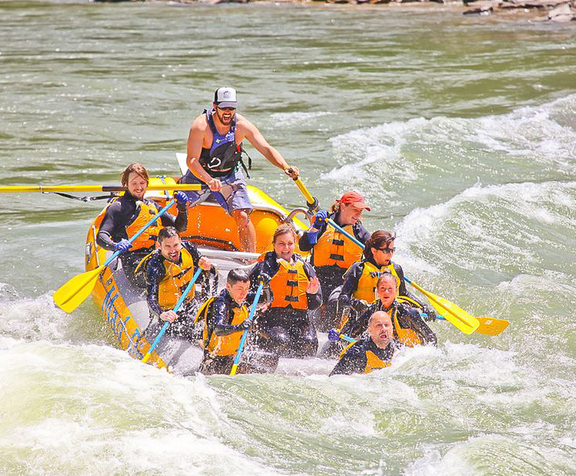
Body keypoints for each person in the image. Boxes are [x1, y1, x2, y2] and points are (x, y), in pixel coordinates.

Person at [182, 87, 301, 252]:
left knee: (243, 217)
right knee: (181, 205)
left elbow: (266, 148)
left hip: (229, 175)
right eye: (223, 108)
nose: (227, 112)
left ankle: (250, 259)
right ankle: (169, 248)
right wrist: (209, 180)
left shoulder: (242, 125)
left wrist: (285, 166)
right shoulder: (200, 126)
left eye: (231, 108)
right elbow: (191, 160)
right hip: (201, 175)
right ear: (215, 106)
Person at [97, 163, 189, 279]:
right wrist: (115, 246)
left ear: (147, 183)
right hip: (133, 262)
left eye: (142, 183)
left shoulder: (152, 206)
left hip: (154, 255)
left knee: (188, 251)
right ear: (126, 184)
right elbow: (101, 236)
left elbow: (180, 228)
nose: (139, 187)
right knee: (157, 270)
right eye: (134, 183)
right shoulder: (118, 207)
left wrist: (182, 208)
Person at [248, 223, 322, 361]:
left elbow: (314, 305)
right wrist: (262, 301)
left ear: (295, 244)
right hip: (271, 319)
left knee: (308, 343)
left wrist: (311, 294)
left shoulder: (306, 268)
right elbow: (245, 295)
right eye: (281, 244)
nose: (286, 248)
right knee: (280, 341)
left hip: (299, 320)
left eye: (290, 243)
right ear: (274, 245)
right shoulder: (264, 267)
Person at [298, 190, 371, 329]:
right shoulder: (324, 223)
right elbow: (304, 246)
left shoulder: (360, 233)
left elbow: (374, 257)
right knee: (312, 303)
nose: (358, 214)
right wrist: (315, 226)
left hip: (344, 283)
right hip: (318, 279)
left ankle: (330, 335)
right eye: (355, 209)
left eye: (360, 211)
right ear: (343, 206)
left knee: (334, 302)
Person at [327, 272, 436, 356]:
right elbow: (355, 332)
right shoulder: (373, 310)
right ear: (378, 291)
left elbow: (431, 337)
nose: (386, 292)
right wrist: (340, 336)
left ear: (396, 291)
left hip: (410, 354)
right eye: (382, 289)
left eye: (390, 289)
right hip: (392, 352)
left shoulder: (406, 312)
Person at [137, 227, 215, 338]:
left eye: (175, 245)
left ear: (180, 241)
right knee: (195, 332)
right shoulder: (155, 266)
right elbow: (151, 297)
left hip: (190, 303)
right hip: (170, 312)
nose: (173, 250)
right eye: (167, 246)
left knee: (211, 322)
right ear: (159, 246)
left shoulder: (188, 248)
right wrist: (161, 314)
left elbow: (204, 266)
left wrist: (206, 264)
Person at [338, 230, 409, 318]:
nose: (390, 255)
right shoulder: (358, 269)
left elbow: (404, 294)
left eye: (392, 250)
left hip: (389, 320)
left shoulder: (396, 269)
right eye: (386, 250)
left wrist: (422, 306)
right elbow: (342, 298)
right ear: (374, 250)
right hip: (363, 318)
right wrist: (355, 303)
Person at [195, 268, 253, 375]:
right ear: (228, 286)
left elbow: (264, 299)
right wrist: (240, 327)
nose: (244, 293)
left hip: (233, 355)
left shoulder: (238, 297)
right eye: (240, 289)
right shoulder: (220, 304)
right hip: (215, 359)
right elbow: (218, 329)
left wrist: (266, 289)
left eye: (247, 288)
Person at [330, 311, 400, 376]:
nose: (383, 329)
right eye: (379, 325)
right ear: (370, 330)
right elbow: (334, 379)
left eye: (386, 325)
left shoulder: (399, 348)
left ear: (392, 328)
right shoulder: (357, 354)